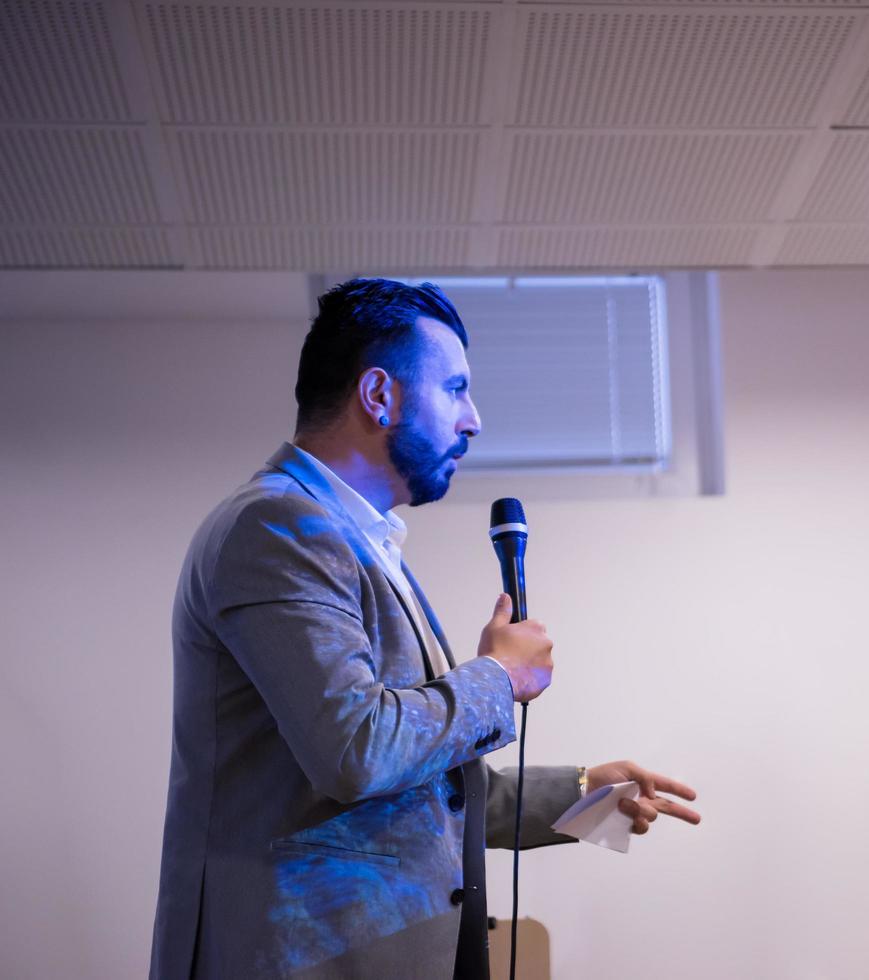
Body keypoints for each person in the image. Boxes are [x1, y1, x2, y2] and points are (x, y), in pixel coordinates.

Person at [149, 278, 700, 979]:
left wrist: (587, 791)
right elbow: (356, 750)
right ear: (378, 395)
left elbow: (421, 794)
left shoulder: (361, 544)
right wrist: (498, 676)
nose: (473, 419)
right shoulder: (278, 527)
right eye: (455, 388)